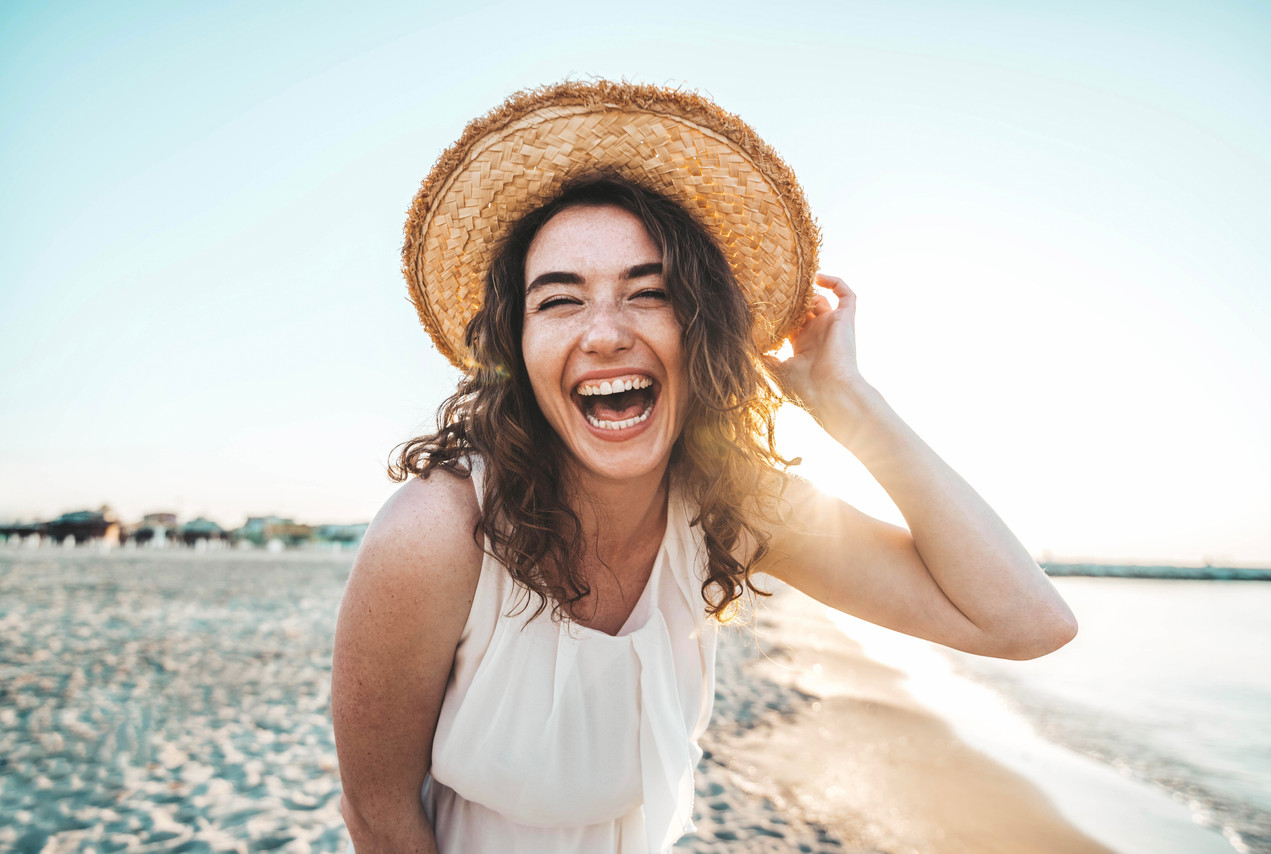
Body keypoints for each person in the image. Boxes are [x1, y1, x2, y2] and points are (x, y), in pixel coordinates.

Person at [331, 80, 1077, 854]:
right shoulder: (435, 534)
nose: (605, 334)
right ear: (515, 349)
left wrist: (847, 401)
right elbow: (378, 815)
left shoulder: (731, 507)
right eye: (559, 301)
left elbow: (1026, 623)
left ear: (701, 329)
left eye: (649, 293)